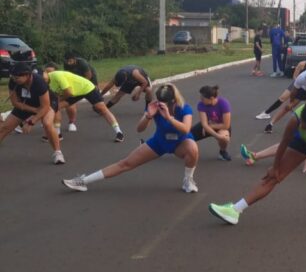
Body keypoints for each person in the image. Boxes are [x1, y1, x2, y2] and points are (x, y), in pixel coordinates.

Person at [209, 94, 306, 229]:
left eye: (305, 125)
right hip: (304, 142)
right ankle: (234, 210)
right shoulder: (297, 118)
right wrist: (275, 167)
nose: (302, 125)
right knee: (273, 177)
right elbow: (284, 143)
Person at [62, 83, 199, 194]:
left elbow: (186, 128)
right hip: (159, 142)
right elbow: (139, 129)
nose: (161, 104)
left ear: (173, 100)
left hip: (181, 143)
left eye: (164, 103)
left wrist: (169, 117)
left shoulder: (184, 108)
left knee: (193, 148)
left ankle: (188, 180)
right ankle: (83, 182)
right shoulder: (155, 107)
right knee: (125, 163)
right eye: (159, 101)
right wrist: (148, 116)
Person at [0, 62, 64, 163]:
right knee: (4, 127)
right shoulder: (13, 82)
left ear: (27, 75)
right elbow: (15, 102)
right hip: (26, 104)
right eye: (13, 77)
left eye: (17, 77)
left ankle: (58, 153)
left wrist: (31, 122)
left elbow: (45, 107)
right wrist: (34, 110)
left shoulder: (39, 82)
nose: (15, 79)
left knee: (47, 123)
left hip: (47, 103)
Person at [42, 65, 125, 142]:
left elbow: (68, 93)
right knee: (56, 107)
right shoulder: (45, 84)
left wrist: (57, 100)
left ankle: (119, 132)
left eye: (42, 75)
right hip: (74, 92)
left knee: (102, 109)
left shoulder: (57, 75)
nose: (42, 79)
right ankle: (58, 134)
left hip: (86, 88)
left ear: (45, 72)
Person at [256, 55, 306, 133]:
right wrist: (291, 102)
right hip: (305, 89)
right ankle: (270, 124)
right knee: (288, 107)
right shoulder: (302, 77)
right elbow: (294, 91)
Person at [191, 84, 232, 160]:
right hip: (207, 125)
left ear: (211, 98)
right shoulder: (201, 105)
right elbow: (204, 124)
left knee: (224, 138)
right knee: (188, 137)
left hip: (221, 126)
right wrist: (209, 129)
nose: (201, 100)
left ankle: (222, 152)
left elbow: (226, 125)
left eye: (203, 98)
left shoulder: (224, 104)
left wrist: (210, 127)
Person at [61, 52, 98, 132]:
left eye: (70, 61)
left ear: (74, 59)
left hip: (89, 77)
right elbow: (67, 75)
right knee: (71, 96)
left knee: (96, 94)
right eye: (67, 61)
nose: (68, 63)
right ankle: (71, 121)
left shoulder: (82, 63)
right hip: (76, 78)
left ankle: (98, 107)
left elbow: (88, 76)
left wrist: (82, 86)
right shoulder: (66, 64)